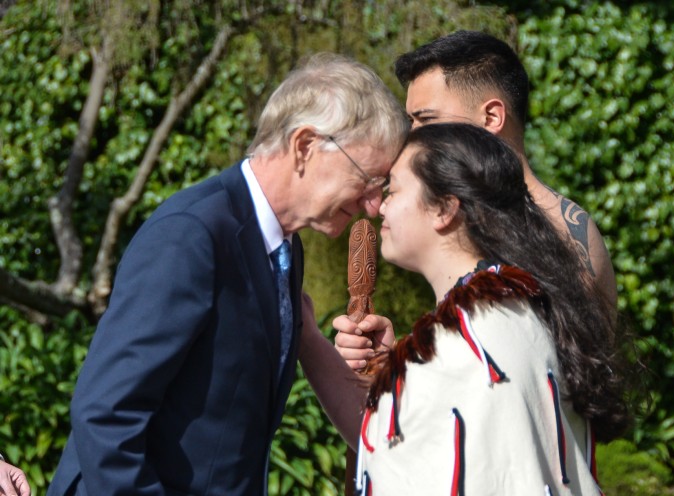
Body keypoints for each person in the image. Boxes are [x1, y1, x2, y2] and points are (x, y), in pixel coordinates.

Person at [46, 53, 408, 496]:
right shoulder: (191, 236)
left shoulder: (283, 245)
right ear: (305, 147)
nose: (374, 205)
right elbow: (105, 415)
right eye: (367, 180)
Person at [305, 123, 630, 494]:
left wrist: (306, 338)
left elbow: (398, 461)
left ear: (444, 208)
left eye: (393, 190)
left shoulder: (471, 338)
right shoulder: (510, 307)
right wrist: (394, 367)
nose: (380, 206)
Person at [334, 29, 617, 369]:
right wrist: (391, 366)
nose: (411, 138)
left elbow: (566, 383)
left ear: (491, 118)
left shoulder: (562, 229)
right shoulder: (460, 219)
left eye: (427, 120)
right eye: (411, 122)